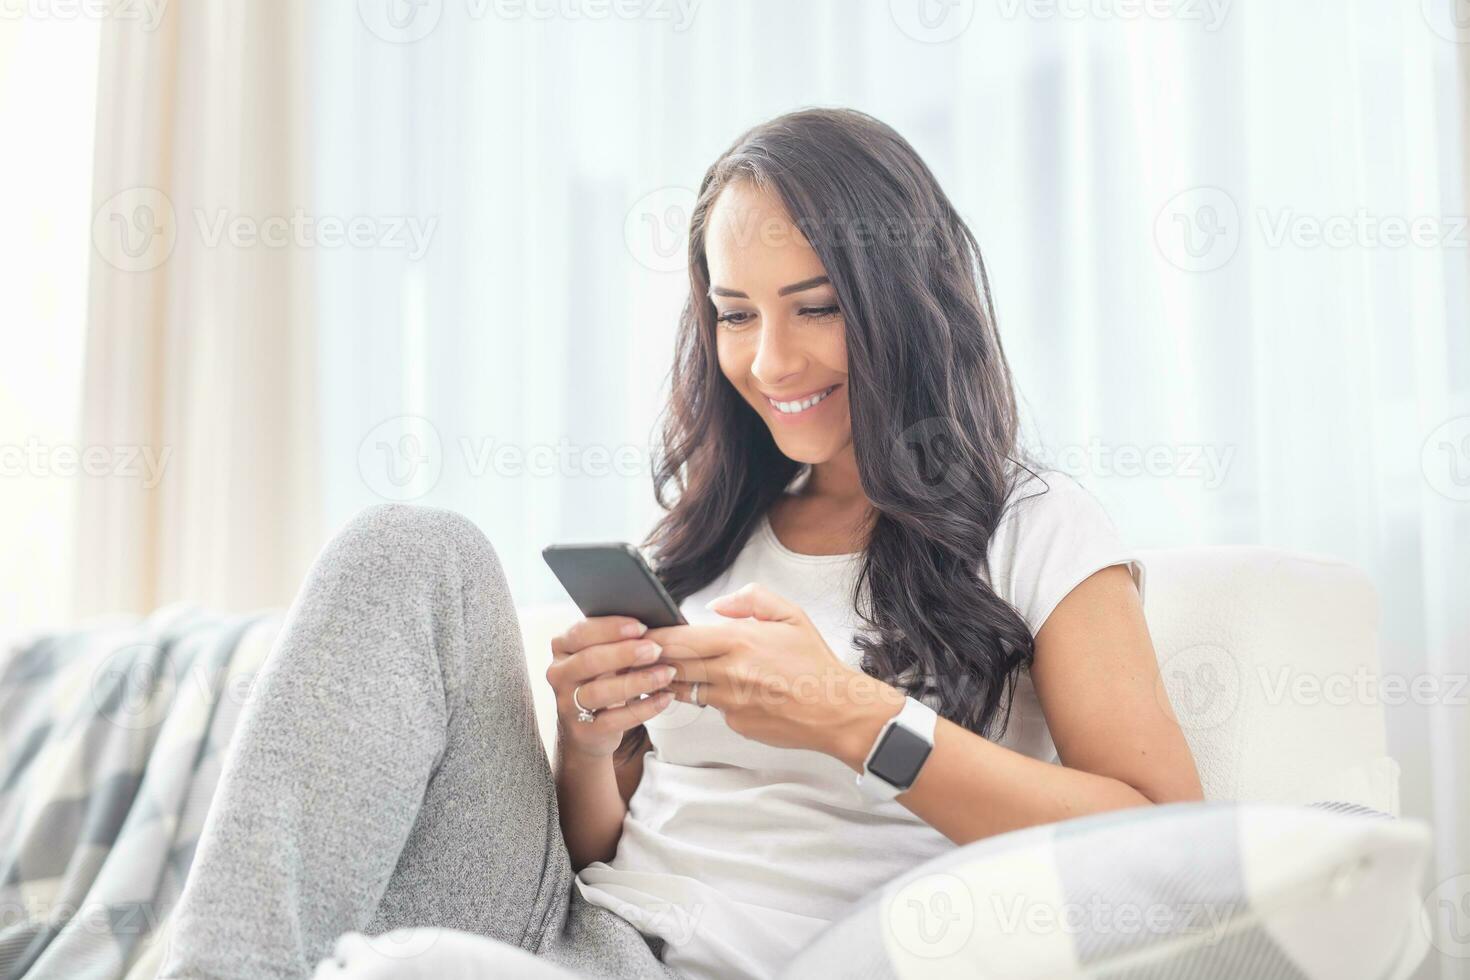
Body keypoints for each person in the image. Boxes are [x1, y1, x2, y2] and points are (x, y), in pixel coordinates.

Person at [159, 107, 1203, 980]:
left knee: (406, 969)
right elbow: (605, 845)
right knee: (409, 545)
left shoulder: (1034, 524)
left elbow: (1167, 847)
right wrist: (588, 743)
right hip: (566, 923)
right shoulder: (711, 532)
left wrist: (853, 715)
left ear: (909, 302)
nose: (769, 358)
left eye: (817, 307)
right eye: (733, 313)